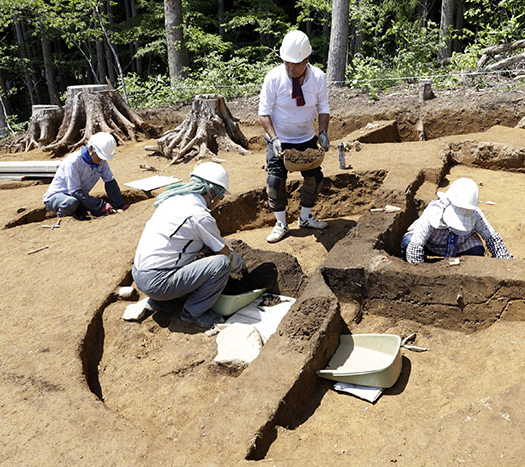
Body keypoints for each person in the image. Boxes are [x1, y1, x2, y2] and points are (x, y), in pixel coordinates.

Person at [132, 162, 245, 329]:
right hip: (156, 282)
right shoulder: (199, 215)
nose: (220, 201)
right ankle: (194, 313)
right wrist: (240, 264)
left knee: (191, 250)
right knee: (221, 264)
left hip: (139, 274)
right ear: (212, 191)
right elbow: (222, 252)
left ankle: (163, 302)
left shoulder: (174, 199)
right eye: (220, 196)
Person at [258, 29, 331, 243]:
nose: (290, 67)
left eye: (295, 63)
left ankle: (305, 218)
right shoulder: (274, 77)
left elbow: (323, 107)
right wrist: (274, 138)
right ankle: (281, 223)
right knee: (275, 181)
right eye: (286, 62)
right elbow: (264, 112)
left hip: (306, 138)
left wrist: (323, 132)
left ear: (307, 59)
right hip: (279, 138)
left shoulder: (318, 77)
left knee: (314, 179)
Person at [402, 177, 513, 263]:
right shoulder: (434, 211)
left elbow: (492, 238)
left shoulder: (476, 215)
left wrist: (506, 263)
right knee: (408, 242)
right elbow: (416, 245)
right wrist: (420, 273)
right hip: (431, 245)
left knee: (477, 250)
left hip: (460, 246)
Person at [43, 132, 128, 220]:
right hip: (56, 197)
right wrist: (101, 205)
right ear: (91, 148)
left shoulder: (102, 161)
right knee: (71, 202)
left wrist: (120, 205)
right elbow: (75, 191)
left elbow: (110, 181)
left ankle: (79, 212)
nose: (101, 160)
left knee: (98, 212)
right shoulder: (73, 162)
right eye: (99, 156)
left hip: (78, 197)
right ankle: (63, 219)